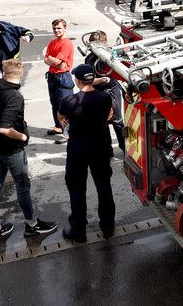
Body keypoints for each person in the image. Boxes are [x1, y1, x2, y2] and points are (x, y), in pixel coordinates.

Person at [0, 59, 57, 242]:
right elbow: (5, 128)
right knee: (22, 186)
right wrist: (23, 137)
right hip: (12, 149)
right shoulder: (15, 96)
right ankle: (32, 225)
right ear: (21, 73)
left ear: (3, 72)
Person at [58, 64, 116, 242]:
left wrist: (66, 123)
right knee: (104, 186)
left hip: (78, 149)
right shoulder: (104, 98)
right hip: (100, 146)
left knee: (76, 188)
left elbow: (61, 118)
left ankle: (78, 230)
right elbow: (110, 115)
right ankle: (107, 226)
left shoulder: (69, 101)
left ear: (77, 80)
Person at [85, 31, 125, 153]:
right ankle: (110, 150)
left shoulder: (111, 57)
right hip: (101, 92)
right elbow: (88, 81)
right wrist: (100, 80)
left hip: (111, 91)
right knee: (105, 124)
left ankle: (122, 148)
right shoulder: (90, 59)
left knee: (116, 122)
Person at [44, 19, 74, 142]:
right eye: (54, 28)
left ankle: (67, 133)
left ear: (65, 28)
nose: (56, 31)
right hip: (52, 76)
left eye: (59, 28)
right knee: (54, 103)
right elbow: (46, 59)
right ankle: (59, 127)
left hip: (63, 77)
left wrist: (53, 60)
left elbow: (58, 63)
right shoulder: (52, 42)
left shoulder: (66, 43)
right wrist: (53, 61)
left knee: (65, 106)